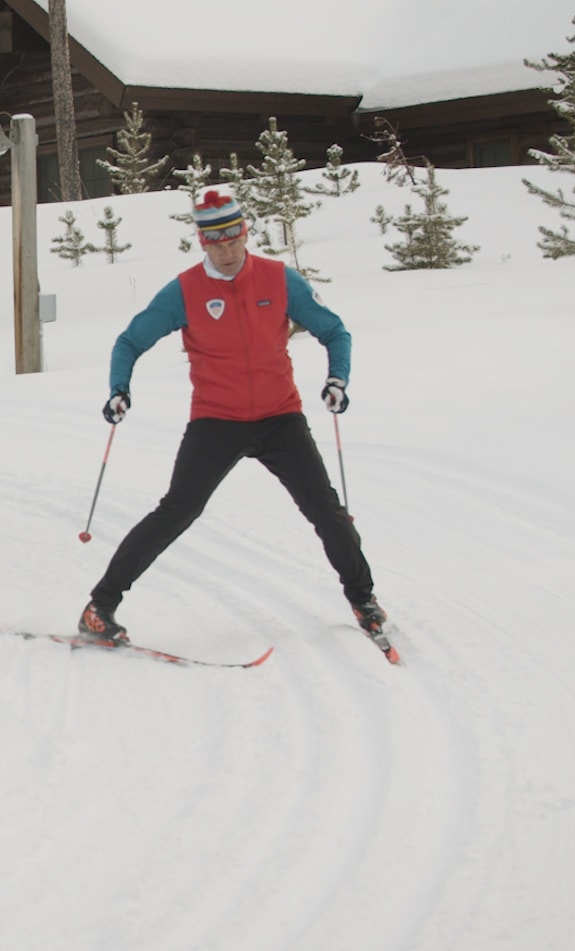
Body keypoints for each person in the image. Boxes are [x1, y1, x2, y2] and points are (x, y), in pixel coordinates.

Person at [78, 188, 387, 644]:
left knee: (326, 510)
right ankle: (99, 608)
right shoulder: (184, 291)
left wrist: (336, 379)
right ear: (202, 242)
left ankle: (363, 599)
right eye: (214, 242)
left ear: (245, 233)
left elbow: (335, 332)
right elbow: (130, 342)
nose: (226, 250)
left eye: (232, 239)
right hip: (216, 420)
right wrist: (119, 389)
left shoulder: (280, 280)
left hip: (281, 418)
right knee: (177, 511)